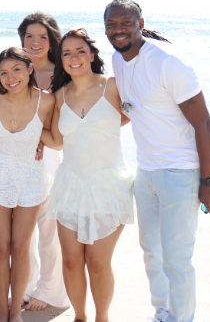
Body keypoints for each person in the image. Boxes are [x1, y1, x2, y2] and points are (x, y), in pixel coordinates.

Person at [104, 0, 210, 322]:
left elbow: (204, 123)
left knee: (177, 258)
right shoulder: (117, 59)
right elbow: (133, 109)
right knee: (152, 254)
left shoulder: (168, 63)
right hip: (146, 171)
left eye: (126, 22)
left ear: (141, 23)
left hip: (181, 173)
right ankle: (163, 314)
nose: (119, 29)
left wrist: (208, 182)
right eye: (111, 24)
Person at [45, 29, 135, 322]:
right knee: (71, 262)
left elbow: (132, 114)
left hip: (109, 186)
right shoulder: (58, 95)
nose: (74, 57)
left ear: (92, 55)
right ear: (61, 59)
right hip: (70, 185)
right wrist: (28, 132)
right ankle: (80, 318)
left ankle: (102, 318)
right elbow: (58, 141)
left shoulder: (112, 85)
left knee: (98, 263)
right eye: (67, 53)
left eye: (80, 51)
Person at [0, 47, 55, 322]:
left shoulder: (46, 101)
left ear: (29, 69)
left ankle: (16, 311)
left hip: (30, 178)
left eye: (16, 70)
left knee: (21, 247)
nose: (11, 78)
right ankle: (1, 310)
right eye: (3, 72)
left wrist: (38, 139)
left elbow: (57, 138)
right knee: (0, 246)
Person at [16, 12, 69, 311]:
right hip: (15, 154)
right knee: (21, 231)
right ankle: (24, 286)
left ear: (52, 40)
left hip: (49, 153)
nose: (35, 42)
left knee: (49, 226)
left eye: (42, 36)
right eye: (29, 36)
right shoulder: (14, 70)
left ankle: (51, 291)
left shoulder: (63, 74)